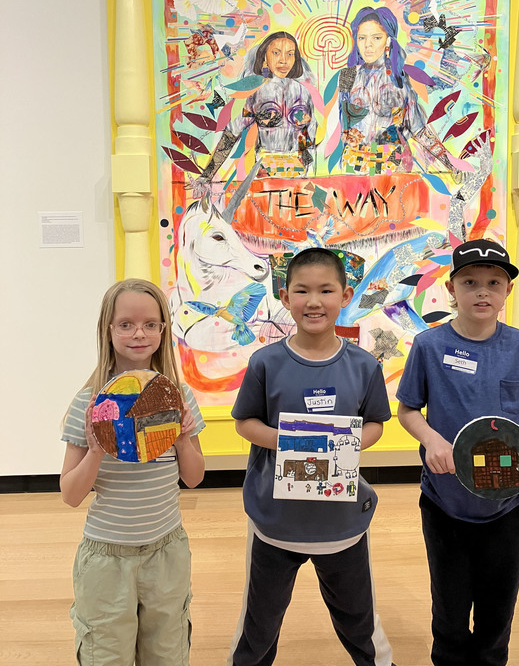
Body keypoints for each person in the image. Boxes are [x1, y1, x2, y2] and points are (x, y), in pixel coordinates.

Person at [228, 247, 396, 666]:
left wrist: (345, 442)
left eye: (326, 290)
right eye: (302, 291)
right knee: (259, 626)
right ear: (285, 297)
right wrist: (294, 440)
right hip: (275, 521)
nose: (314, 301)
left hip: (342, 521)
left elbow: (376, 423)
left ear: (346, 295)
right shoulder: (265, 361)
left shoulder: (363, 365)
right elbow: (245, 422)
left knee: (359, 622)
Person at [396, 238, 519, 666]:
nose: (482, 292)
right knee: (449, 610)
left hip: (508, 506)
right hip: (445, 504)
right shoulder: (429, 347)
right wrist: (431, 439)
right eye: (470, 282)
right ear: (451, 289)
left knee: (497, 611)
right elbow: (408, 410)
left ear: (507, 292)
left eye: (493, 283)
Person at [60, 278, 206, 666]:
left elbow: (193, 477)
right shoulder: (88, 402)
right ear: (108, 330)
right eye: (125, 324)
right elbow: (71, 495)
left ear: (163, 329)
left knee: (167, 651)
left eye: (150, 324)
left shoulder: (179, 395)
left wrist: (182, 438)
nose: (138, 334)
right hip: (107, 559)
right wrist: (94, 450)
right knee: (105, 652)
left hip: (167, 552)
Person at [338, 6, 457, 176]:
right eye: (362, 38)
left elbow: (418, 129)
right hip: (354, 165)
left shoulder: (400, 79)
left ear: (388, 40)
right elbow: (344, 126)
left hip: (391, 166)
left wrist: (451, 163)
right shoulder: (347, 76)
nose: (368, 45)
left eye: (376, 38)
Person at [202, 31, 316, 180]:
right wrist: (206, 176)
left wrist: (307, 166)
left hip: (298, 174)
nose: (284, 61)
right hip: (264, 173)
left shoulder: (303, 92)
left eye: (290, 54)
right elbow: (231, 135)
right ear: (264, 56)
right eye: (276, 53)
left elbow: (309, 138)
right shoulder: (254, 92)